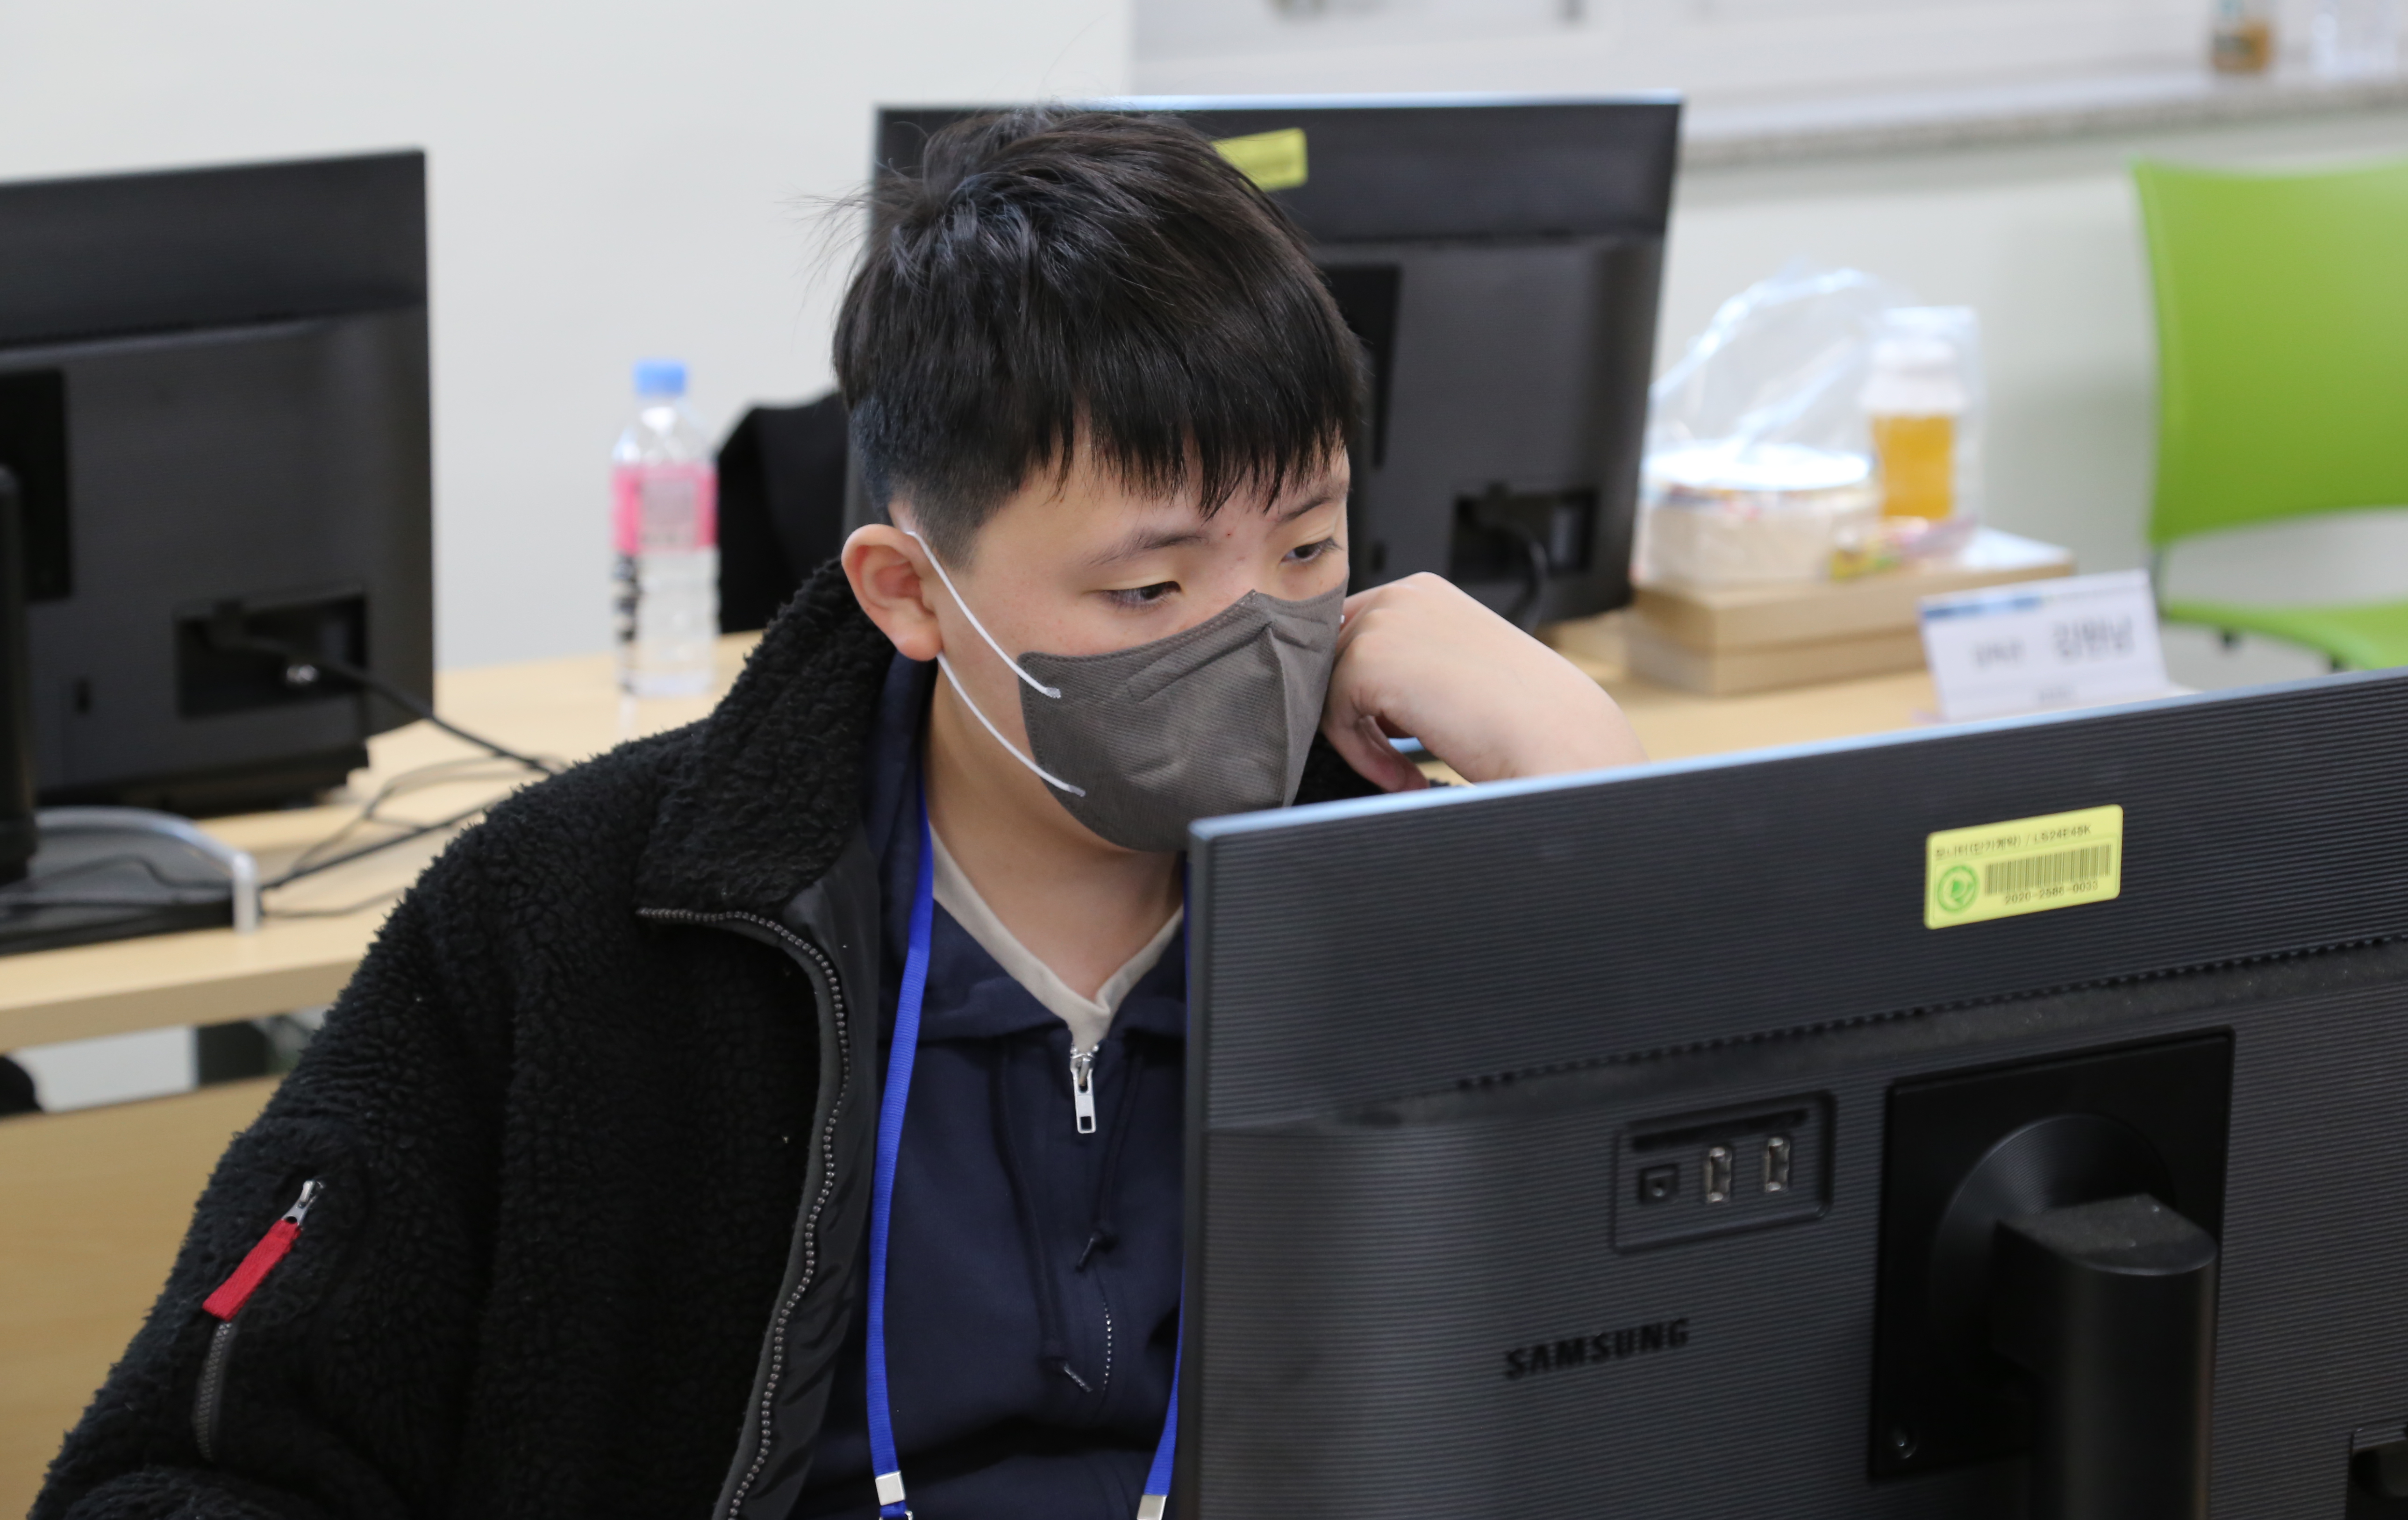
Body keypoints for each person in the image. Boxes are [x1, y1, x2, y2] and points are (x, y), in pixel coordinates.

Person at [33, 107, 1644, 1520]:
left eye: (1306, 550)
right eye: (1150, 588)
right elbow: (189, 1473)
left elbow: (1692, 1348)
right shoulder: (581, 928)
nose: (1251, 635)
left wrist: (1592, 797)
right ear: (908, 593)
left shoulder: (1416, 891)